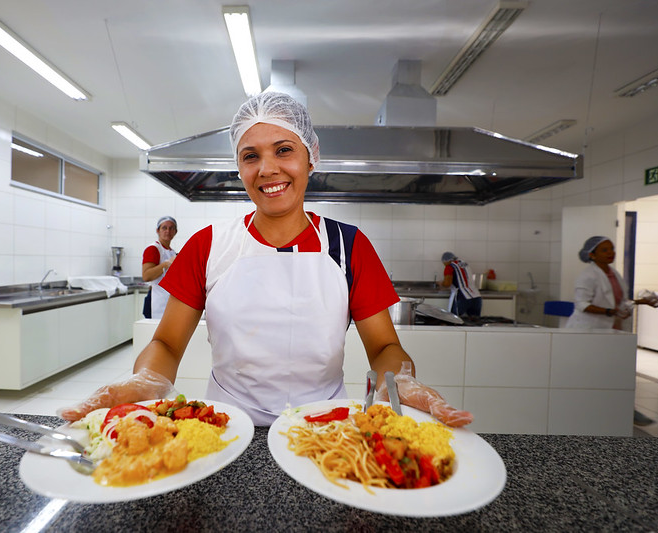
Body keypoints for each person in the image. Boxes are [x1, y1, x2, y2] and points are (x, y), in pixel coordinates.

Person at [60, 92, 473, 428]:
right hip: (225, 427)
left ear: (311, 157)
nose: (268, 169)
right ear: (238, 168)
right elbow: (167, 342)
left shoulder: (348, 246)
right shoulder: (207, 246)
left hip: (324, 428)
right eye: (250, 155)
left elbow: (384, 345)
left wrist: (399, 379)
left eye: (283, 150)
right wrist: (145, 380)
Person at [565, 235, 658, 426]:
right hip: (589, 331)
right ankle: (586, 411)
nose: (611, 253)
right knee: (591, 372)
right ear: (591, 255)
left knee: (618, 370)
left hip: (612, 330)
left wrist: (640, 302)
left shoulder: (613, 274)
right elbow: (582, 304)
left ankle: (624, 409)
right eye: (605, 250)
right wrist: (611, 311)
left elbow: (618, 303)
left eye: (612, 249)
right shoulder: (588, 275)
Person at [141, 216, 178, 319]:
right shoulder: (153, 249)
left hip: (168, 300)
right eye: (164, 228)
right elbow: (146, 276)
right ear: (158, 231)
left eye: (171, 228)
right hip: (156, 301)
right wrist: (165, 264)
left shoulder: (172, 252)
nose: (168, 231)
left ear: (175, 231)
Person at [440, 252, 482, 317]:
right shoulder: (464, 264)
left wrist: (441, 283)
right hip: (476, 297)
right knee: (474, 323)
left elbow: (447, 284)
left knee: (453, 320)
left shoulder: (449, 267)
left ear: (446, 260)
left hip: (462, 298)